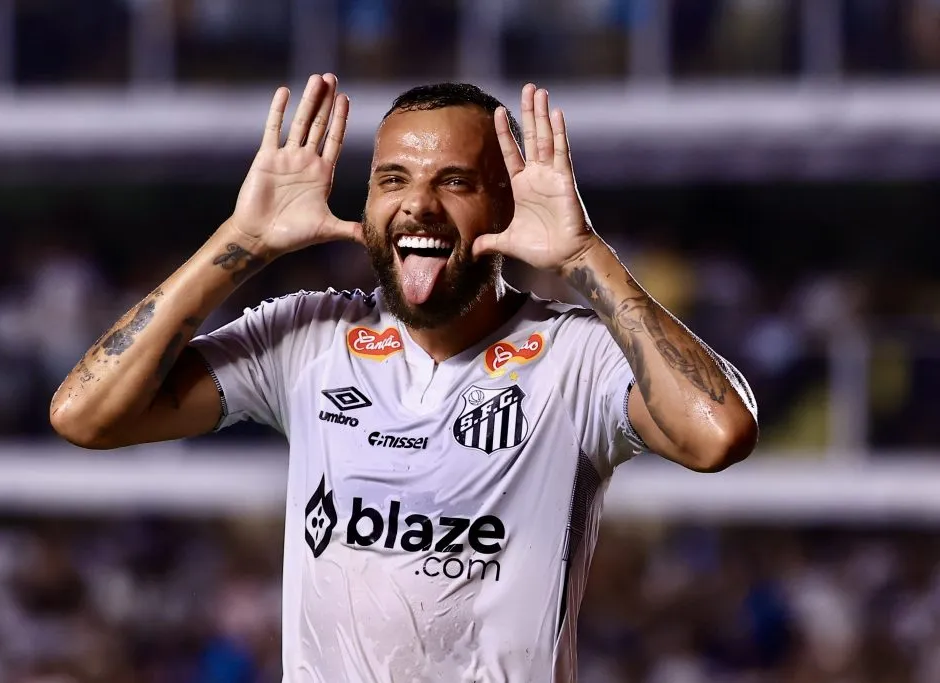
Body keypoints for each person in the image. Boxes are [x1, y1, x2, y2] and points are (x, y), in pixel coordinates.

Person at [51, 73, 758, 683]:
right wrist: (239, 243)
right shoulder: (307, 337)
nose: (419, 203)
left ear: (508, 205)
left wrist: (585, 257)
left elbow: (718, 432)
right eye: (394, 179)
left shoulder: (574, 356)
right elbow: (86, 414)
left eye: (454, 181)